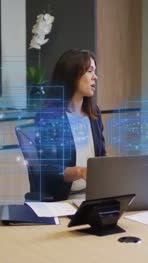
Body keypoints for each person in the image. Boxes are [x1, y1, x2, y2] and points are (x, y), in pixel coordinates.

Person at [34, 49, 106, 201]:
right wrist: (80, 172)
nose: (95, 77)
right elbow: (50, 171)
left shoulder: (94, 113)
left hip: (93, 196)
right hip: (62, 199)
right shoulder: (48, 118)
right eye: (90, 71)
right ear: (72, 76)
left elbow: (101, 156)